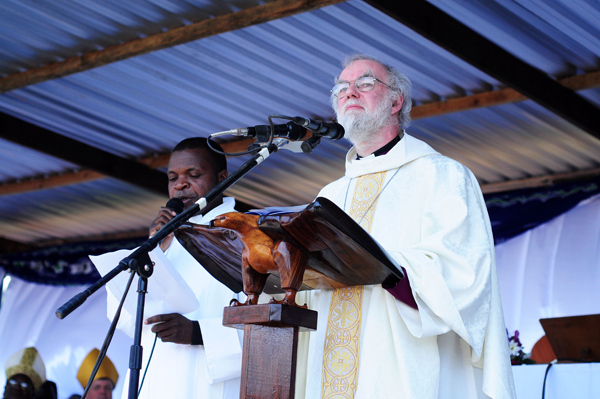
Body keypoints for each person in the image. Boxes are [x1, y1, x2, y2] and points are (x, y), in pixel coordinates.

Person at [294, 54, 516, 398]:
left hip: (401, 359)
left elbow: (464, 273)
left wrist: (382, 267)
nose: (349, 92)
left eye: (365, 83)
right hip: (328, 357)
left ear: (396, 101)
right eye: (341, 87)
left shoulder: (442, 175)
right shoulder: (330, 194)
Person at [103, 138, 242, 399]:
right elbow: (122, 318)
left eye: (194, 174)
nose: (180, 184)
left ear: (222, 178)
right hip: (154, 381)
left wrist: (198, 332)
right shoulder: (162, 240)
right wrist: (155, 249)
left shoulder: (245, 236)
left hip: (204, 384)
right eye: (172, 177)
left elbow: (268, 321)